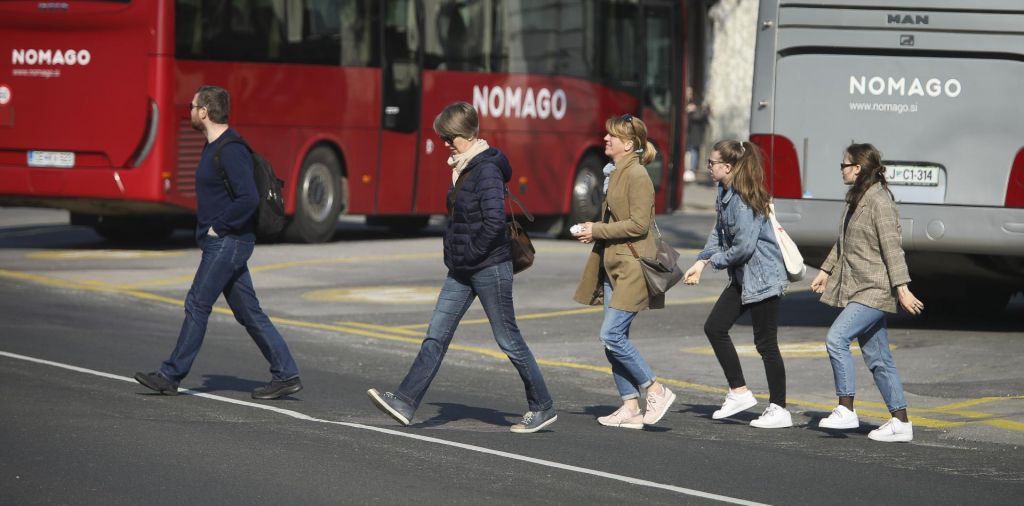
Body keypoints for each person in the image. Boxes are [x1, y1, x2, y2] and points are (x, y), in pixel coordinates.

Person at [367, 102, 556, 434]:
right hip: (463, 269)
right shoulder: (464, 167)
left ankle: (542, 406)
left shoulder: (486, 169)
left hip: (488, 267)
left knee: (508, 339)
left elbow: (494, 222)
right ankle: (404, 402)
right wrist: (459, 256)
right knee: (435, 336)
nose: (444, 144)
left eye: (447, 138)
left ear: (464, 135)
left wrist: (469, 252)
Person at [134, 85, 302, 400]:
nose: (189, 111)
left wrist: (218, 227)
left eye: (192, 106)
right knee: (249, 312)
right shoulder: (213, 147)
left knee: (197, 303)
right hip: (225, 241)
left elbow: (248, 198)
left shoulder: (231, 149)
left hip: (229, 241)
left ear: (205, 112)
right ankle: (286, 373)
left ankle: (170, 375)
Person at [811, 143, 924, 443]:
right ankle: (901, 422)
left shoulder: (880, 202)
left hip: (875, 288)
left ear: (857, 168)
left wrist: (902, 289)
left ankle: (846, 407)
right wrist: (825, 271)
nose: (841, 170)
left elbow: (892, 249)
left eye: (844, 165)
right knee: (878, 357)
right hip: (858, 285)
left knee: (836, 338)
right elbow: (843, 242)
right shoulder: (857, 198)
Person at [573, 114, 676, 429]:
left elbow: (638, 224)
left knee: (611, 333)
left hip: (633, 264)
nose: (605, 139)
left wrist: (597, 229)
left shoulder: (637, 175)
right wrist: (596, 232)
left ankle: (655, 389)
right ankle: (629, 405)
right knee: (611, 339)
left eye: (612, 136)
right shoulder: (614, 172)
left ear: (629, 144)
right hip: (613, 265)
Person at [683, 140, 791, 428]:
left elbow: (743, 247)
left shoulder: (743, 200)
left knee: (766, 344)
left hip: (764, 278)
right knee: (715, 327)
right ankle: (739, 392)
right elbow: (718, 232)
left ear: (727, 167)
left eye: (711, 163)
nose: (708, 167)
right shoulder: (724, 192)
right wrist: (701, 262)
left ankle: (780, 408)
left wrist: (715, 262)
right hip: (744, 278)